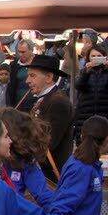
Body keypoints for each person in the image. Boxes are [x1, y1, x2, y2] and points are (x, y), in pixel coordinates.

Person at [24, 54, 74, 182]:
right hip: (42, 171)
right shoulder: (45, 99)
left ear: (49, 77)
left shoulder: (58, 102)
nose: (27, 80)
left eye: (32, 75)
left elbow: (49, 142)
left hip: (51, 174)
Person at [74, 43, 108, 141]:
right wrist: (86, 72)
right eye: (93, 56)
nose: (96, 58)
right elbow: (79, 86)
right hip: (85, 115)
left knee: (102, 146)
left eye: (99, 56)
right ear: (88, 58)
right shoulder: (84, 71)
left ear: (104, 57)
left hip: (104, 114)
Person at [7, 38, 37, 109]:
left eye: (23, 52)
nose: (20, 54)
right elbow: (10, 86)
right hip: (18, 104)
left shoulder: (39, 63)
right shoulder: (14, 65)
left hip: (35, 103)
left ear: (31, 50)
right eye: (19, 51)